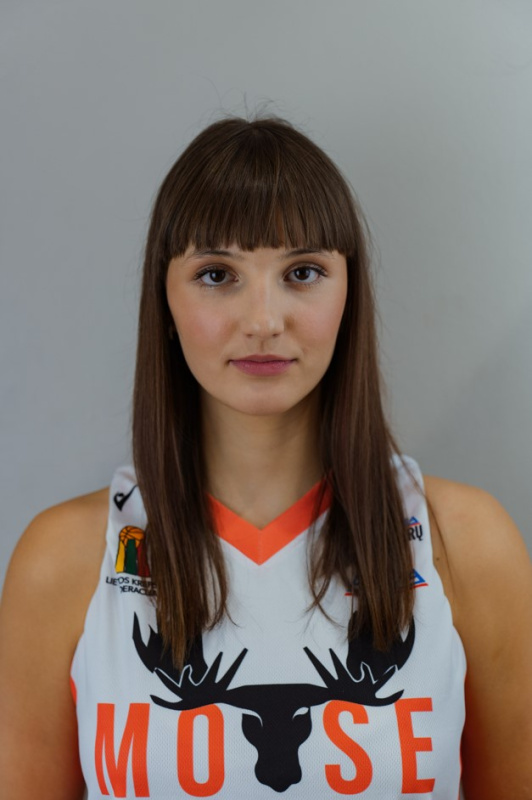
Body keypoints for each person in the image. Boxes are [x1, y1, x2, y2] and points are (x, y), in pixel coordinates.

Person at [1, 116, 531, 800]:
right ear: (165, 300)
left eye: (302, 273)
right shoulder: (62, 563)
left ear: (349, 294)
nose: (262, 320)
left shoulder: (467, 545)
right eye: (216, 274)